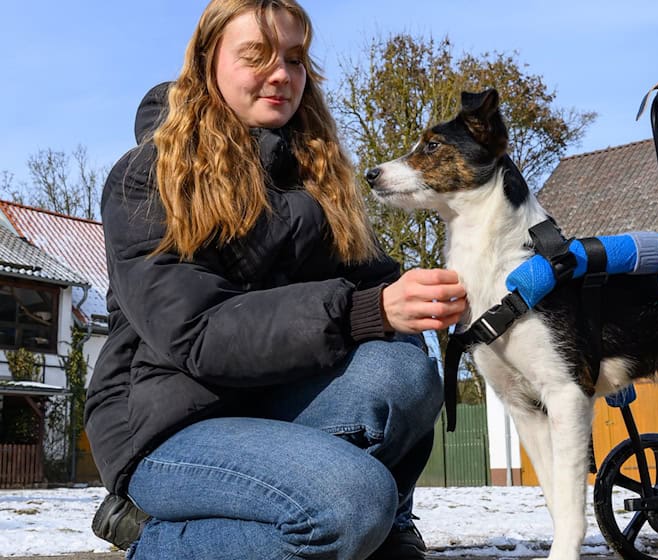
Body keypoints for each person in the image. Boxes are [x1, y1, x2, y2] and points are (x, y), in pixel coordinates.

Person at [84, 1, 467, 558]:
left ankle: (382, 530)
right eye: (256, 56)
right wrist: (365, 310)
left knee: (403, 372)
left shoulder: (317, 177)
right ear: (208, 61)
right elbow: (199, 334)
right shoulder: (148, 176)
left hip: (267, 405)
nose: (282, 75)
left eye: (294, 58)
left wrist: (457, 286)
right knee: (351, 502)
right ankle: (152, 536)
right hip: (165, 426)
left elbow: (380, 285)